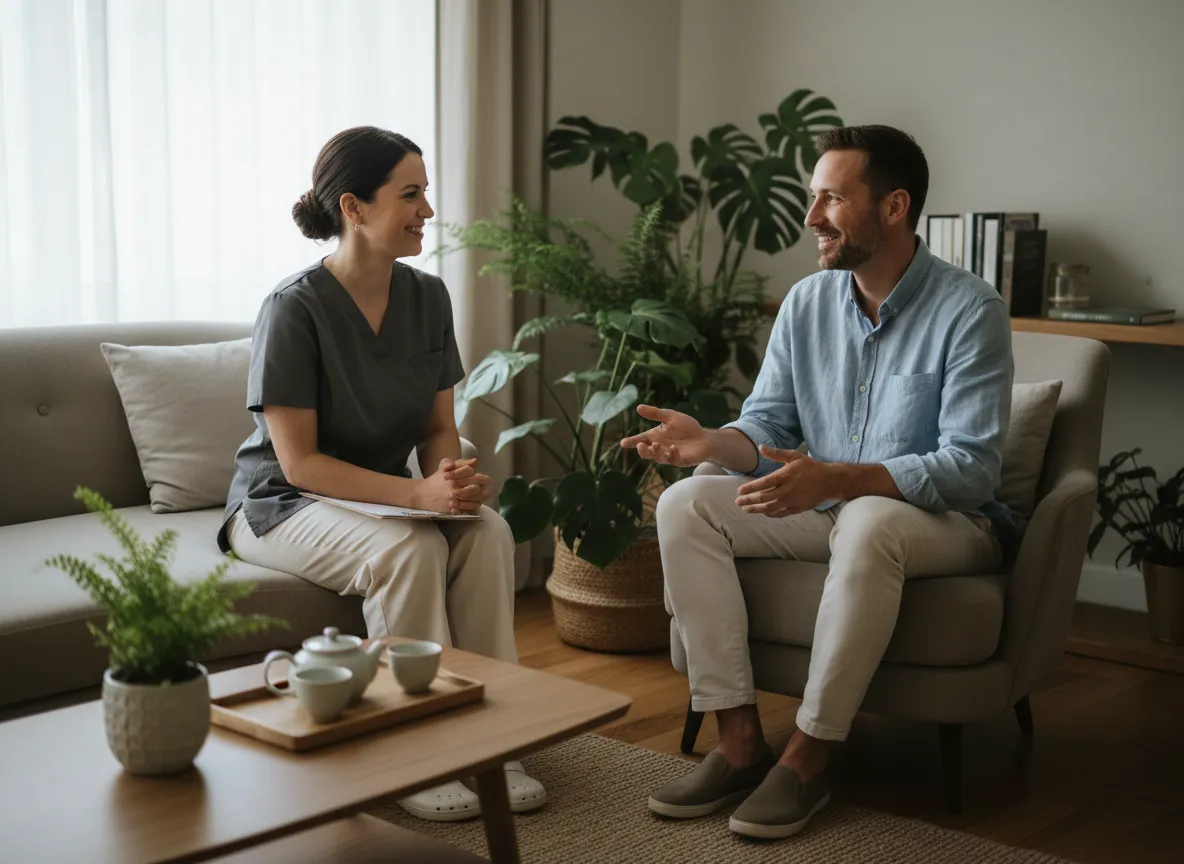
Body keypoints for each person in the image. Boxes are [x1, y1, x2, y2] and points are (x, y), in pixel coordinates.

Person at [622, 125, 1014, 840]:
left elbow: (972, 468)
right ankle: (740, 741)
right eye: (812, 197)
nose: (810, 218)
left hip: (948, 524)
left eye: (831, 198)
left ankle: (809, 756)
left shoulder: (970, 311)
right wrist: (715, 442)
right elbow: (766, 424)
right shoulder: (806, 304)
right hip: (831, 506)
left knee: (867, 518)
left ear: (893, 207)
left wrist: (844, 478)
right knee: (686, 505)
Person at [217, 126, 545, 822]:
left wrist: (450, 480)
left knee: (485, 531)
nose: (428, 210)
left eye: (426, 192)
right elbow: (299, 462)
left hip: (379, 499)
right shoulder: (294, 308)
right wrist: (416, 497)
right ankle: (415, 750)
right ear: (354, 208)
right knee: (410, 545)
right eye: (411, 194)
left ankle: (493, 738)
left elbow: (435, 429)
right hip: (279, 505)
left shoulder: (428, 299)